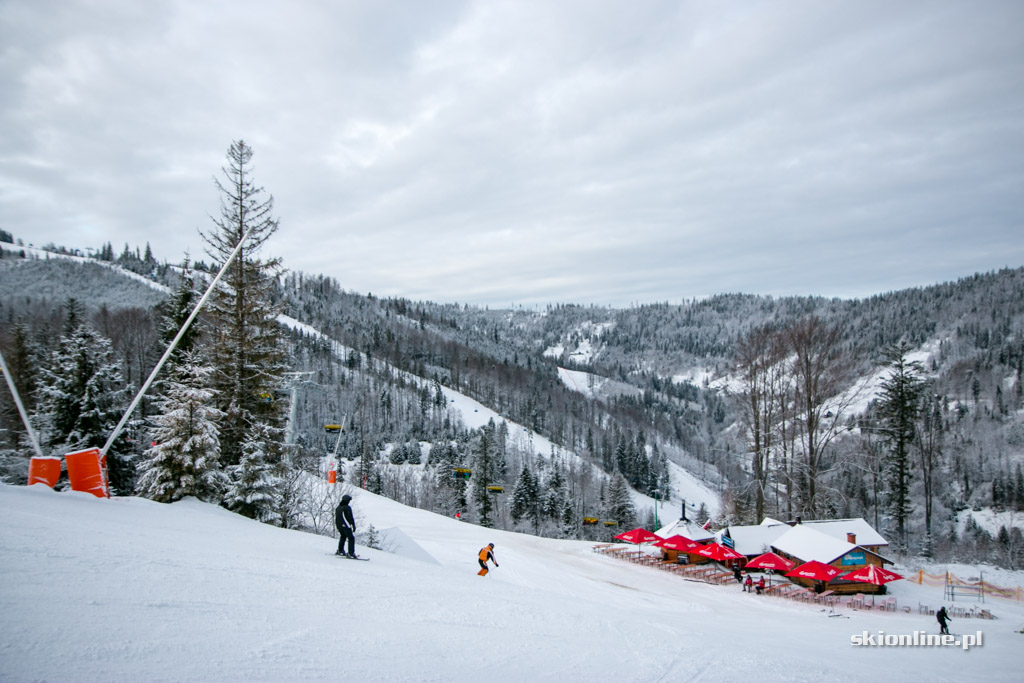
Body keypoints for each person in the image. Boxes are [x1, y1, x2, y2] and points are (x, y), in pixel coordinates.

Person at [335, 494, 357, 558]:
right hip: (345, 525)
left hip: (339, 525)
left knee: (343, 536)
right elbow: (350, 517)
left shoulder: (338, 508)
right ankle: (351, 553)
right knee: (351, 538)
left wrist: (338, 526)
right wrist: (353, 525)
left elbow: (337, 518)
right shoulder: (347, 508)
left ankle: (340, 550)